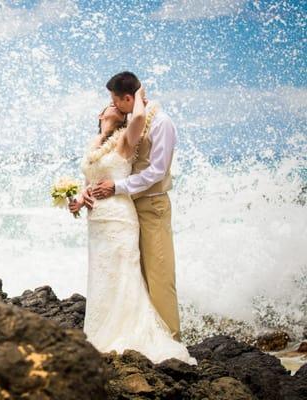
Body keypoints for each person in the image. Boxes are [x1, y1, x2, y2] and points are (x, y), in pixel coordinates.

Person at [68, 72, 196, 364]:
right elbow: (103, 169)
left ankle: (170, 341)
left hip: (151, 206)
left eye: (115, 99)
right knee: (132, 275)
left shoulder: (161, 123)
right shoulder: (121, 127)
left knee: (159, 275)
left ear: (129, 98)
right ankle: (121, 326)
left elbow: (157, 172)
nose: (109, 105)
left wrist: (117, 187)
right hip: (123, 209)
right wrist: (84, 195)